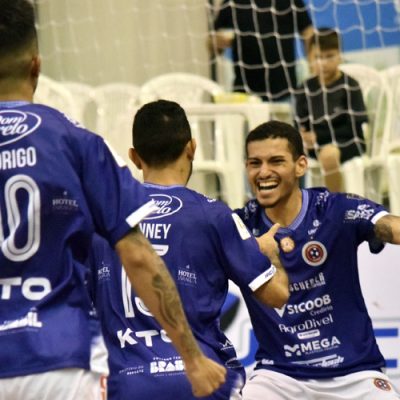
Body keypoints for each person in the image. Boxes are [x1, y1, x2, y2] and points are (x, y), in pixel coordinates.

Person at [0, 1, 226, 399]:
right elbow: (139, 257)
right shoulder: (76, 141)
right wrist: (191, 359)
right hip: (57, 363)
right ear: (36, 66)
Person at [86, 99, 290, 400]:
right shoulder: (213, 215)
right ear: (192, 148)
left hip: (127, 384)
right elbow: (276, 295)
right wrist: (272, 253)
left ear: (134, 157)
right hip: (202, 380)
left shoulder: (102, 220)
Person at [234, 120, 400, 399]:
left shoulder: (335, 210)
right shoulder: (238, 226)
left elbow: (389, 226)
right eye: (254, 163)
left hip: (355, 374)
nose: (264, 172)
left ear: (301, 165)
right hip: (278, 376)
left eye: (276, 161)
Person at [294, 28, 368, 192]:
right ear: (311, 58)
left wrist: (319, 136)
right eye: (319, 57)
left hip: (347, 143)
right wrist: (303, 137)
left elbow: (355, 127)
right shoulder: (305, 88)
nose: (324, 63)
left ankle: (334, 209)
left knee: (329, 156)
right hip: (314, 147)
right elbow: (299, 124)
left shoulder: (350, 85)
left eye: (330, 56)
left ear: (339, 55)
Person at [209, 0, 314, 101]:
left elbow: (308, 32)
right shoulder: (233, 1)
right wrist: (217, 42)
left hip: (283, 89)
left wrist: (313, 64)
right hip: (244, 91)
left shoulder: (289, 1)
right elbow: (212, 41)